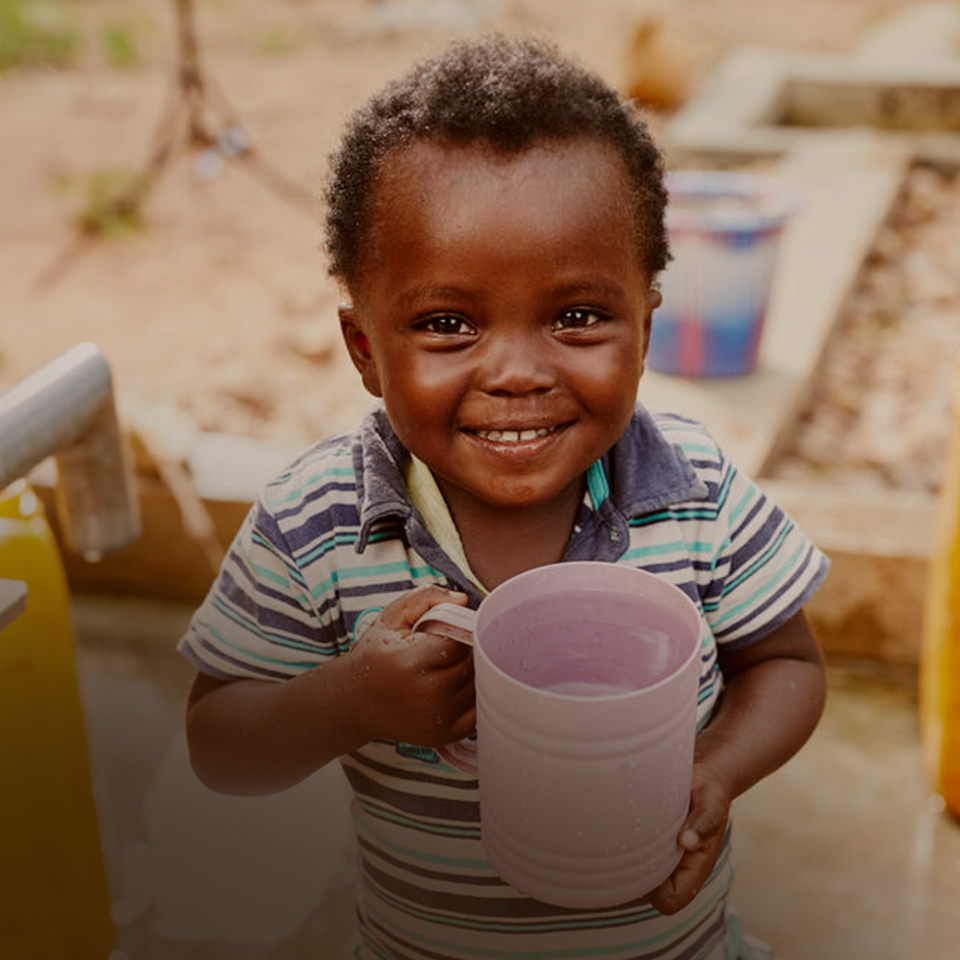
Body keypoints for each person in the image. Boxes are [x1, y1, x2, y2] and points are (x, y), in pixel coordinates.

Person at [179, 34, 829, 960]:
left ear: (646, 324)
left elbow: (789, 666)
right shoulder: (317, 525)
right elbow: (218, 747)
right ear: (365, 350)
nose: (518, 373)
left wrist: (714, 774)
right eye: (447, 324)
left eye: (576, 317)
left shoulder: (693, 493)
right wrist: (347, 703)